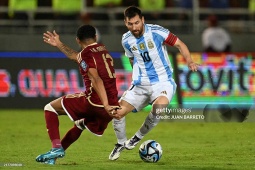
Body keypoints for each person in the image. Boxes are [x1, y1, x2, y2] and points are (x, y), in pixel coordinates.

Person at [108, 6, 199, 161]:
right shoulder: (126, 40)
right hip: (141, 84)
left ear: (143, 20)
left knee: (158, 108)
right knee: (116, 112)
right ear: (125, 22)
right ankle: (120, 143)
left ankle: (137, 137)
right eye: (130, 24)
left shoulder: (157, 32)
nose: (134, 27)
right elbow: (131, 58)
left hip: (163, 82)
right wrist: (137, 74)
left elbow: (179, 44)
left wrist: (189, 61)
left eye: (137, 23)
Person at [35, 25, 119, 165]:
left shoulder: (86, 54)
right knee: (80, 124)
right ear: (96, 37)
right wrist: (59, 44)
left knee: (50, 108)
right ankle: (52, 158)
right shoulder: (102, 49)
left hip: (97, 102)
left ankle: (56, 148)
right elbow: (76, 57)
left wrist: (105, 104)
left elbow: (95, 78)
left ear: (78, 40)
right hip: (112, 107)